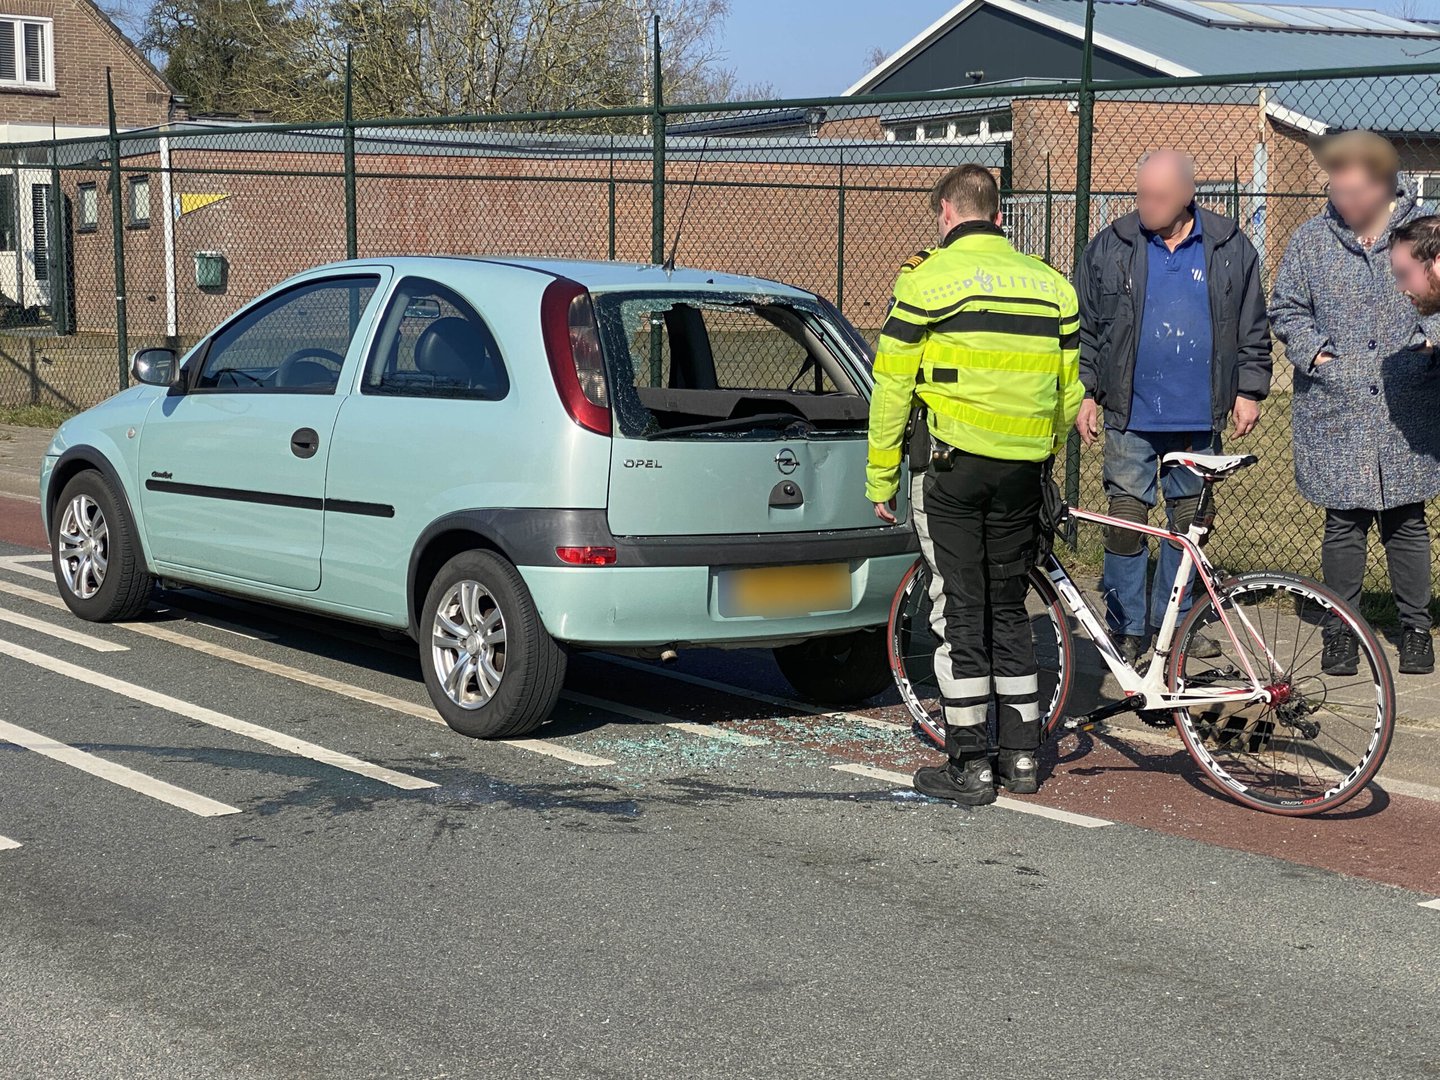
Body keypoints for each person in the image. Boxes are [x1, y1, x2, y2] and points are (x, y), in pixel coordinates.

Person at [866, 164, 1082, 806]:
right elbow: (1068, 395)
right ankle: (1021, 756)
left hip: (954, 469)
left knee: (960, 607)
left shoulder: (925, 280)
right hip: (1023, 470)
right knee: (1010, 606)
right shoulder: (1051, 287)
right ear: (997, 213)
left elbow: (892, 389)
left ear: (947, 213)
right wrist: (1038, 450)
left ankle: (970, 765)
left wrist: (882, 476)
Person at [1075, 150, 1272, 663]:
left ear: (1188, 195)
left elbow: (1253, 326)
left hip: (1197, 415)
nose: (1146, 205)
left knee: (1189, 524)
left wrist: (1249, 390)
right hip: (1129, 414)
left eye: (1158, 197)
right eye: (1141, 194)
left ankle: (1176, 625)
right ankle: (1126, 627)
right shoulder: (1111, 246)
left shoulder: (1230, 248)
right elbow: (1087, 329)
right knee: (1125, 519)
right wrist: (1086, 391)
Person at [1270, 130, 1440, 677]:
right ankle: (1341, 626)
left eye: (1354, 189)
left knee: (1406, 521)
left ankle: (1415, 627)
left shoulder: (1422, 234)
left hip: (1407, 402)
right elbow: (1287, 308)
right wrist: (1318, 356)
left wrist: (1430, 339)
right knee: (1344, 521)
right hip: (1337, 405)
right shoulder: (1311, 241)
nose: (1343, 200)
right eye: (1336, 189)